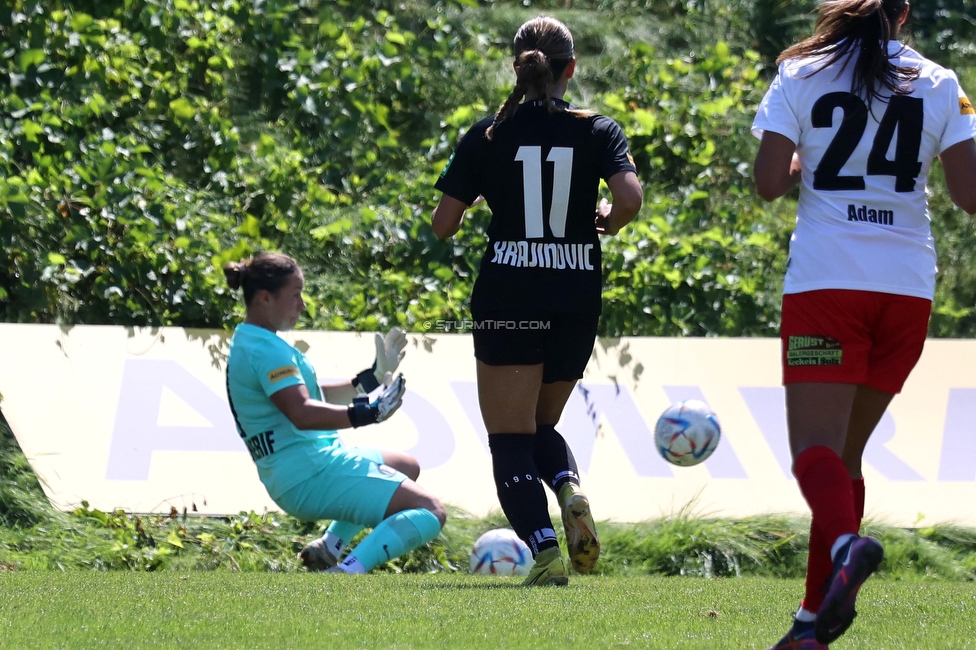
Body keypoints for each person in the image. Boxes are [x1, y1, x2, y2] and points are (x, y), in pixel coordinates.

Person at [752, 0, 976, 646]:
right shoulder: (941, 82)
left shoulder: (801, 73)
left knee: (813, 455)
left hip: (829, 283)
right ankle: (809, 625)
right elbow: (969, 195)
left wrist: (801, 165)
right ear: (904, 15)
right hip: (906, 292)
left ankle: (849, 546)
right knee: (845, 460)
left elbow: (769, 182)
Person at [430, 15, 643, 586]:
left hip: (509, 293)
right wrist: (609, 221)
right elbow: (630, 197)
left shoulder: (489, 134)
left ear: (517, 67)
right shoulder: (597, 129)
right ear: (569, 70)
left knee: (508, 439)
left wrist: (481, 191)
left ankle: (546, 552)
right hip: (575, 296)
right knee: (541, 428)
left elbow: (443, 224)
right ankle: (569, 488)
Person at [223, 252, 446, 574]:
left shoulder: (253, 341)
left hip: (300, 469)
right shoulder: (265, 349)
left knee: (405, 465)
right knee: (431, 510)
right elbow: (302, 412)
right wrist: (366, 413)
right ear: (265, 297)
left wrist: (370, 378)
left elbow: (310, 396)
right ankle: (346, 572)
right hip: (311, 472)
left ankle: (329, 547)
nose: (302, 305)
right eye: (296, 295)